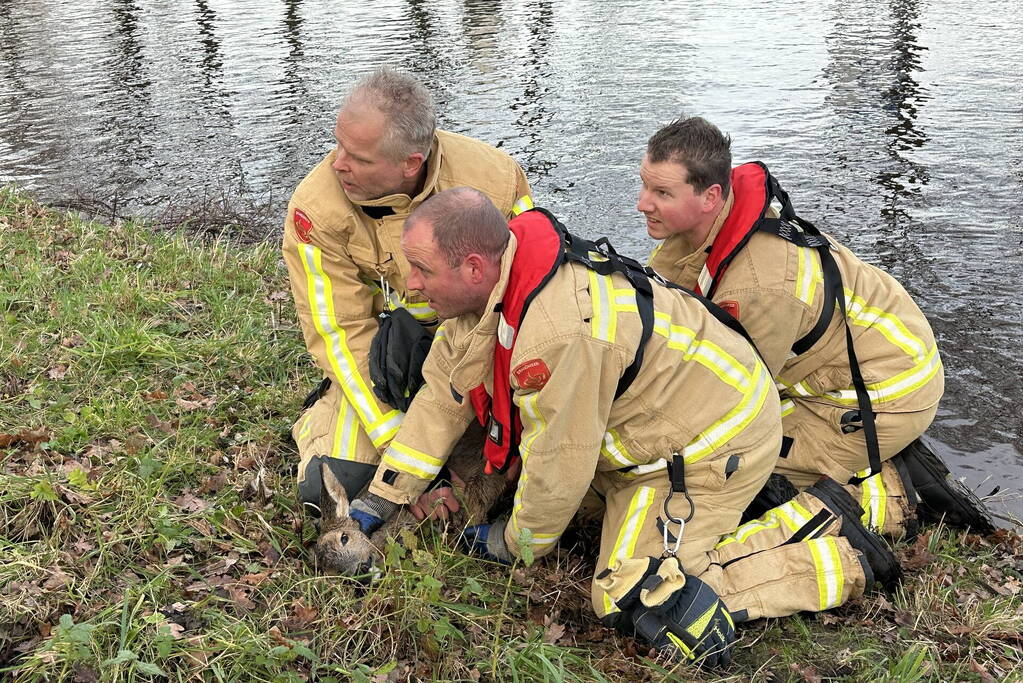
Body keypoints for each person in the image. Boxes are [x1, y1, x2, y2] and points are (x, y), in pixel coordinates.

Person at [342, 188, 901, 668]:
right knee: (548, 497)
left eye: (422, 270)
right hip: (651, 425)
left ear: (471, 267)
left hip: (704, 446)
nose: (410, 286)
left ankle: (835, 546)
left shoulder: (557, 333)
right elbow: (442, 397)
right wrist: (383, 496)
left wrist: (514, 544)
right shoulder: (490, 292)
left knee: (630, 593)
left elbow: (561, 458)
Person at [636, 116, 955, 540]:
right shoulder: (705, 226)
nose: (642, 203)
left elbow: (733, 397)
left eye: (661, 193)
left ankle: (887, 497)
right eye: (644, 185)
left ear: (711, 194)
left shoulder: (759, 283)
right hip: (844, 361)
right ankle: (861, 457)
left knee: (729, 461)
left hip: (886, 390)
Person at [282, 67, 533, 507]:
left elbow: (530, 297)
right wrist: (398, 444)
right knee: (332, 489)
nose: (337, 163)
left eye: (358, 157)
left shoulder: (496, 178)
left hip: (479, 357)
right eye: (337, 143)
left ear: (410, 164)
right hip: (386, 367)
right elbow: (340, 333)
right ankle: (320, 420)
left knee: (527, 479)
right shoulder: (317, 209)